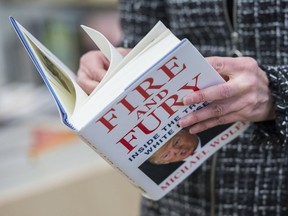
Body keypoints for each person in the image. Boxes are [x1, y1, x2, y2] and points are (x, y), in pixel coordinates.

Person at [77, 0, 288, 215]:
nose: (176, 151)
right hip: (177, 203)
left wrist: (279, 92)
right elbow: (141, 38)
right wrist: (112, 66)